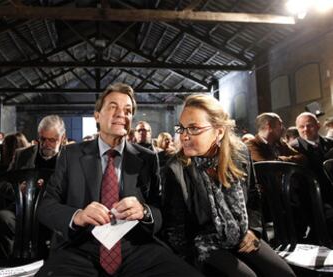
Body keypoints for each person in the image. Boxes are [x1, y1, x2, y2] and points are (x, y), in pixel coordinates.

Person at [35, 83, 202, 277]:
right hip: (80, 248)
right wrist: (78, 216)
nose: (121, 113)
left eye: (128, 110)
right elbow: (46, 207)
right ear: (97, 115)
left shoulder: (147, 158)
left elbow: (159, 211)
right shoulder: (71, 155)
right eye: (113, 107)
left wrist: (144, 211)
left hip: (135, 249)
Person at [161, 95, 295, 277]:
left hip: (241, 234)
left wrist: (254, 232)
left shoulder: (240, 154)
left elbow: (254, 198)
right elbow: (175, 230)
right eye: (182, 128)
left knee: (285, 275)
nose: (184, 136)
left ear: (219, 132)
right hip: (203, 244)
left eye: (193, 128)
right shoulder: (175, 168)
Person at [0, 116, 66, 260]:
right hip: (22, 210)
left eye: (52, 140)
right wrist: (17, 188)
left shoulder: (70, 157)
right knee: (1, 218)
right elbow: (3, 185)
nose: (46, 144)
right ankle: (7, 266)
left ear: (63, 138)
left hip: (53, 211)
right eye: (43, 139)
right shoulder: (22, 155)